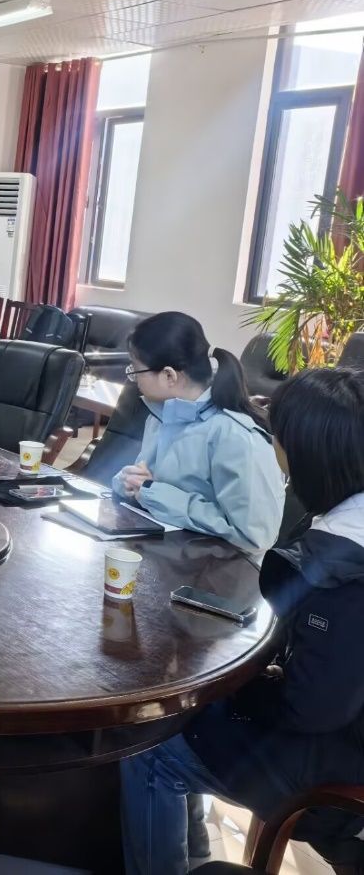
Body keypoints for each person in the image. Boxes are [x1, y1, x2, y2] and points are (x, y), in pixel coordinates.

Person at [121, 367, 364, 875]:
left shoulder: (342, 566)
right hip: (346, 730)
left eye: (279, 439)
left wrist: (239, 689)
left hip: (340, 769)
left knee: (150, 744)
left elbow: (311, 708)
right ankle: (195, 853)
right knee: (190, 716)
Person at [112, 311, 284, 552]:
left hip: (216, 567)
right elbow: (149, 487)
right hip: (166, 552)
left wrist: (153, 493)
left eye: (136, 370)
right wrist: (130, 483)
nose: (133, 379)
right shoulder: (161, 415)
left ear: (169, 375)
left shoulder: (235, 435)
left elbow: (255, 535)